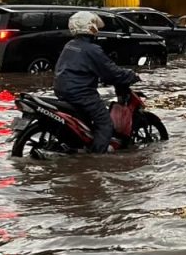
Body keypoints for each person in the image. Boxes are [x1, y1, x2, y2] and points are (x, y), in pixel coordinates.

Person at [54, 11, 139, 153]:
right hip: (81, 93)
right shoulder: (92, 49)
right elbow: (111, 72)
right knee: (105, 123)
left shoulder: (70, 45)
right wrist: (130, 75)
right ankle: (97, 158)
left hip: (62, 90)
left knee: (88, 119)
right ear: (90, 27)